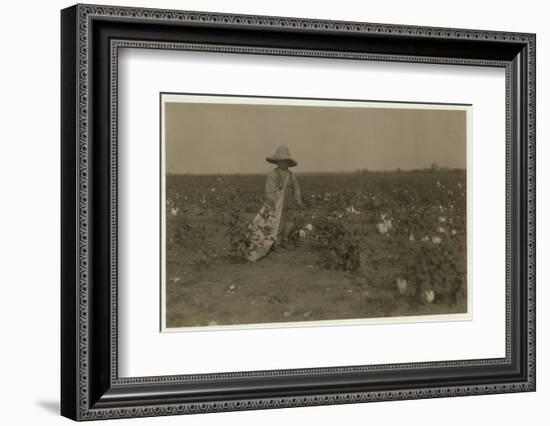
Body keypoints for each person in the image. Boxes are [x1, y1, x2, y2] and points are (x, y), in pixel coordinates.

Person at [245, 146, 303, 261]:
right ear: (277, 161)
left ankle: (284, 241)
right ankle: (276, 244)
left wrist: (298, 199)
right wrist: (273, 203)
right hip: (276, 203)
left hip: (288, 202)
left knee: (288, 222)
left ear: (288, 162)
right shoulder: (273, 174)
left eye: (285, 161)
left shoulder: (291, 175)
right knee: (276, 223)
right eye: (280, 161)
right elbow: (269, 190)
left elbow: (296, 188)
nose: (283, 163)